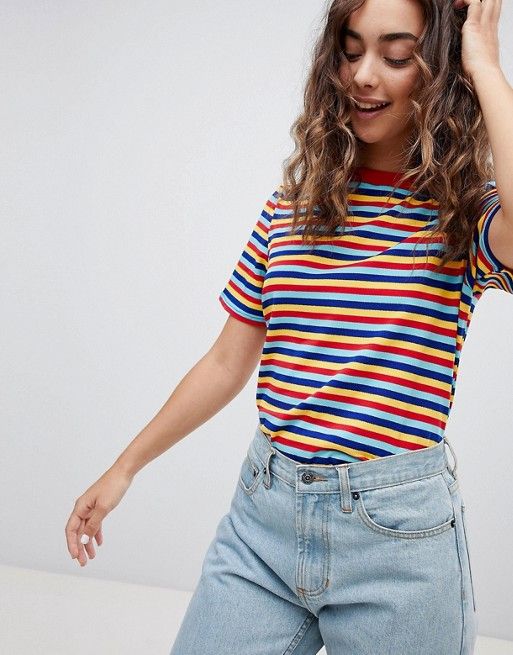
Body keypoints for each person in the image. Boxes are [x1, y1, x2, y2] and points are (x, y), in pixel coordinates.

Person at [65, 0, 513, 652]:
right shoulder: (292, 209)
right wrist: (124, 468)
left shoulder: (463, 216)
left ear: (439, 72)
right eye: (350, 51)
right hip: (264, 523)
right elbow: (226, 363)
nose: (363, 74)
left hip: (398, 543)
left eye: (395, 56)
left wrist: (485, 66)